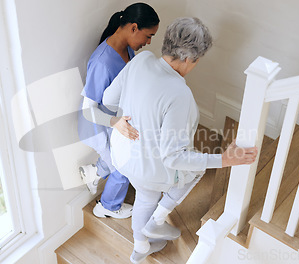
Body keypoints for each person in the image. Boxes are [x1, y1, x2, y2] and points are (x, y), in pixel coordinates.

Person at [102, 17, 258, 263]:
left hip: (121, 155)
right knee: (195, 169)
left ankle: (141, 247)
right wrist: (225, 159)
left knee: (145, 196)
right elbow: (174, 156)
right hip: (148, 169)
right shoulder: (180, 94)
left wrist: (126, 120)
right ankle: (158, 220)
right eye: (196, 61)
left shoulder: (141, 60)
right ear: (188, 58)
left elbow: (109, 99)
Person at [77, 3, 160, 219]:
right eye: (148, 36)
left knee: (118, 157)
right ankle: (107, 207)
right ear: (134, 28)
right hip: (97, 125)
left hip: (114, 119)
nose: (149, 42)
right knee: (123, 167)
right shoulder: (102, 62)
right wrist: (117, 124)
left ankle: (93, 173)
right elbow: (88, 110)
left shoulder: (128, 48)